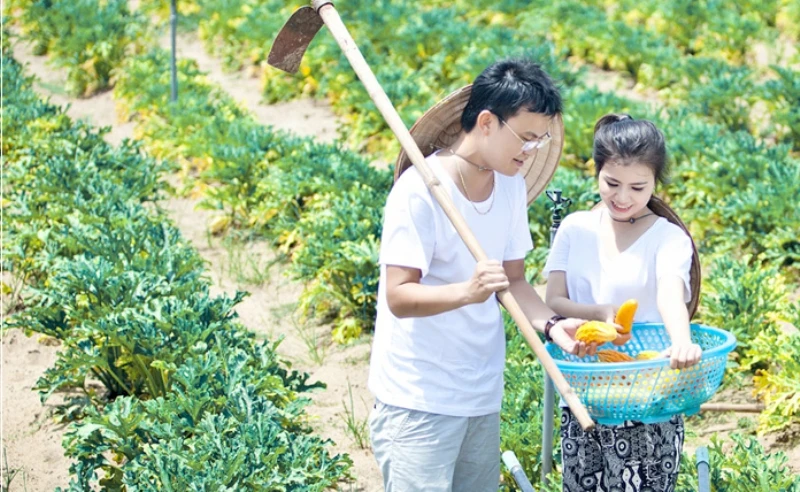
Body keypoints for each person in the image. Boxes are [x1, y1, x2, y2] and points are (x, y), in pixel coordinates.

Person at [367, 59, 589, 492]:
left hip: (481, 391)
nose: (531, 150)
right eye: (525, 138)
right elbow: (399, 295)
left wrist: (553, 325)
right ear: (487, 122)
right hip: (419, 397)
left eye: (540, 140)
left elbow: (514, 281)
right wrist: (468, 292)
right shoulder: (419, 191)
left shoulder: (510, 186)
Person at [543, 114, 703, 492]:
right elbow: (553, 299)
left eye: (637, 187)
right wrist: (598, 314)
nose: (623, 197)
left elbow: (669, 294)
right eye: (612, 183)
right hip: (584, 388)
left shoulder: (668, 238)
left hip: (648, 393)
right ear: (597, 171)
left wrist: (681, 341)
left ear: (655, 182)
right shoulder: (575, 228)